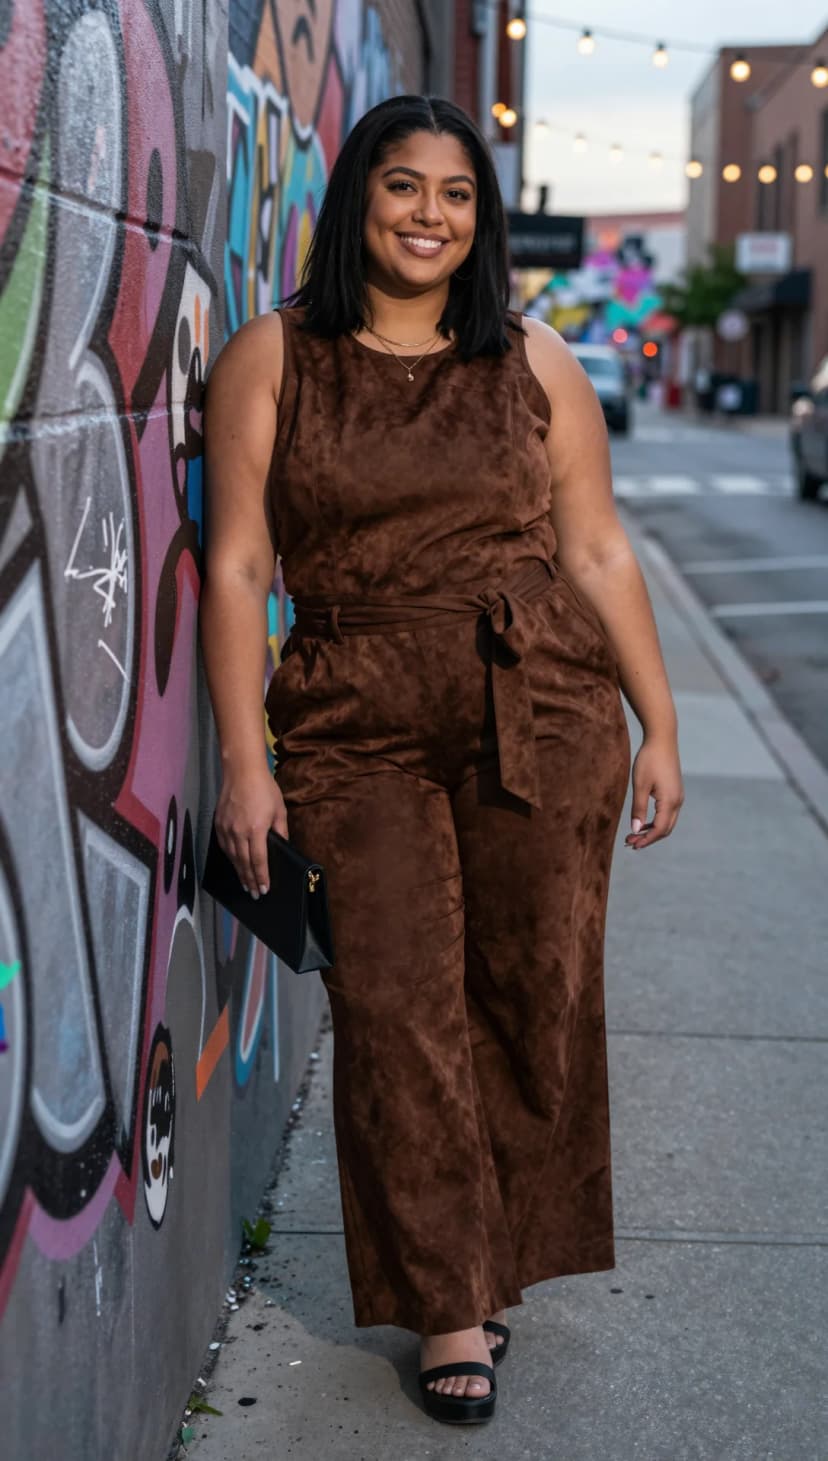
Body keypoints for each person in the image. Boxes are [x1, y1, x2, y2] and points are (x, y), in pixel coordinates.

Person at [200, 94, 684, 1426]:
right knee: (398, 1012)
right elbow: (238, 567)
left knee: (532, 996)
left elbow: (596, 548)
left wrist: (659, 722)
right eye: (404, 185)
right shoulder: (275, 356)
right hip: (351, 721)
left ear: (483, 218)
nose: (430, 214)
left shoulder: (533, 361)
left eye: (457, 193)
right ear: (359, 195)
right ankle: (450, 1305)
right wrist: (246, 760)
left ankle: (490, 1252)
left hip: (542, 710)